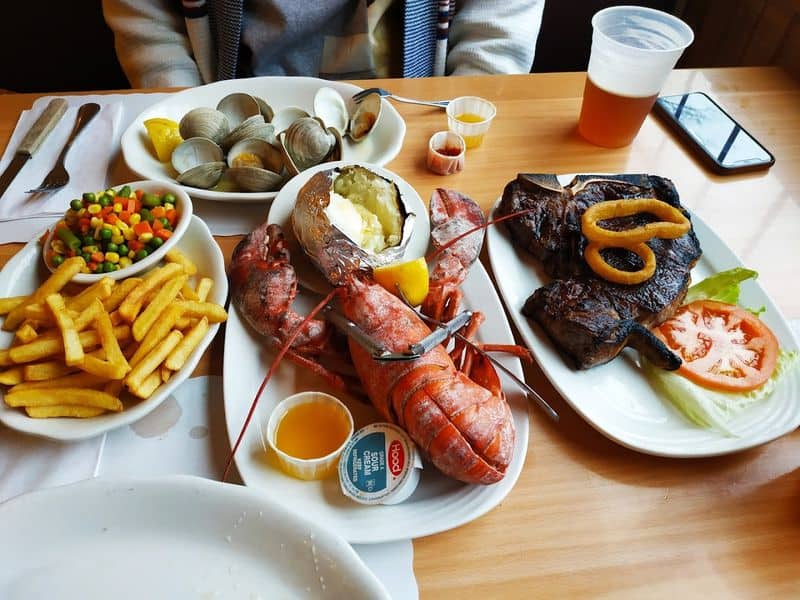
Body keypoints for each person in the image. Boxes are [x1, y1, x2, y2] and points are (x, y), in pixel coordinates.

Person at [102, 0, 545, 88]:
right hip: (232, 97)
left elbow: (498, 29)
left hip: (415, 110)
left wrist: (460, 111)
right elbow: (146, 18)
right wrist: (182, 108)